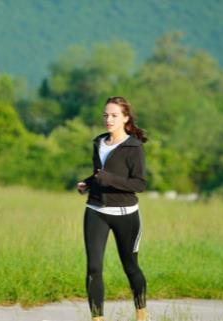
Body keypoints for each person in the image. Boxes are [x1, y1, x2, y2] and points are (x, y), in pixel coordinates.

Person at [77, 96, 149, 321]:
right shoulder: (98, 142)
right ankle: (97, 319)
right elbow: (101, 174)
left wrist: (107, 179)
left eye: (114, 115)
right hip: (96, 211)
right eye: (105, 115)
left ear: (125, 118)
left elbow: (139, 184)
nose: (108, 119)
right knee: (94, 269)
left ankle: (141, 315)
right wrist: (88, 183)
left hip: (125, 215)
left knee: (131, 267)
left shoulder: (133, 147)